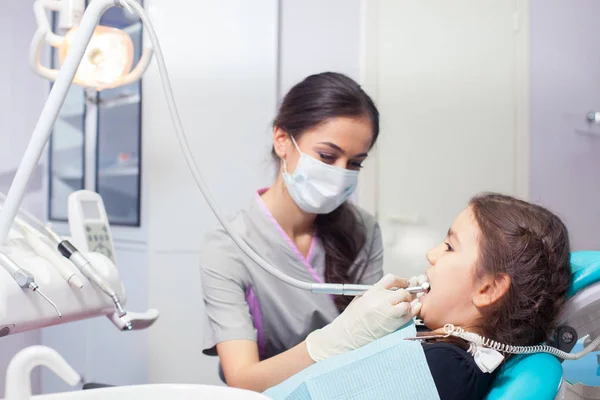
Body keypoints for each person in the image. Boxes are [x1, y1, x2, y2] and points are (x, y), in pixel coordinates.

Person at [200, 72, 419, 392]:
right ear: (282, 141)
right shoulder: (228, 247)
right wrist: (330, 344)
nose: (340, 174)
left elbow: (373, 352)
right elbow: (242, 378)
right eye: (327, 156)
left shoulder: (363, 230)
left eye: (355, 163)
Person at [265, 193, 572, 400]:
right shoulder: (437, 344)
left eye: (450, 247)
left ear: (488, 289)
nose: (431, 254)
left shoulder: (445, 368)